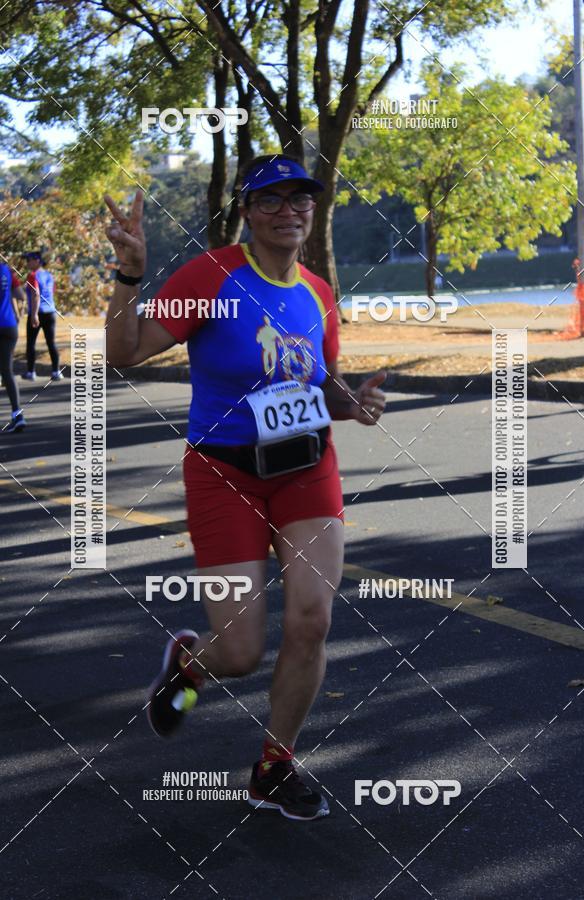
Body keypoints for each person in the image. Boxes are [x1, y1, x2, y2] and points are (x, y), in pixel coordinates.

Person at [104, 154, 386, 821]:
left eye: (301, 200)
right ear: (248, 212)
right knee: (239, 652)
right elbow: (125, 351)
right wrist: (129, 274)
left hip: (306, 468)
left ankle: (273, 765)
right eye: (272, 200)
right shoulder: (211, 275)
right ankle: (191, 664)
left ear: (313, 212)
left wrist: (356, 403)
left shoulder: (318, 293)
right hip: (224, 473)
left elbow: (321, 384)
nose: (289, 211)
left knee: (312, 619)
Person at [21, 250, 63, 381]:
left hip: (37, 312)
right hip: (50, 312)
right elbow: (52, 291)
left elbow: (36, 294)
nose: (27, 263)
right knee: (51, 342)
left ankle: (31, 372)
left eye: (29, 260)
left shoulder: (32, 275)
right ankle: (56, 372)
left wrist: (33, 314)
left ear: (37, 261)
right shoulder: (49, 276)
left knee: (31, 344)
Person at [0, 261, 27, 432]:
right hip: (9, 326)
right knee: (7, 371)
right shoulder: (7, 271)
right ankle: (18, 415)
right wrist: (20, 313)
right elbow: (21, 295)